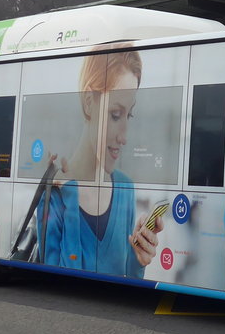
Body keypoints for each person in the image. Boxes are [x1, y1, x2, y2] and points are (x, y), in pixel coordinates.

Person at [39, 44, 162, 278]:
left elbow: (123, 283)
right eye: (115, 114)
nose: (124, 136)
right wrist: (71, 197)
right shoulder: (54, 191)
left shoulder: (125, 188)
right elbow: (59, 278)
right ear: (88, 103)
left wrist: (138, 261)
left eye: (129, 115)